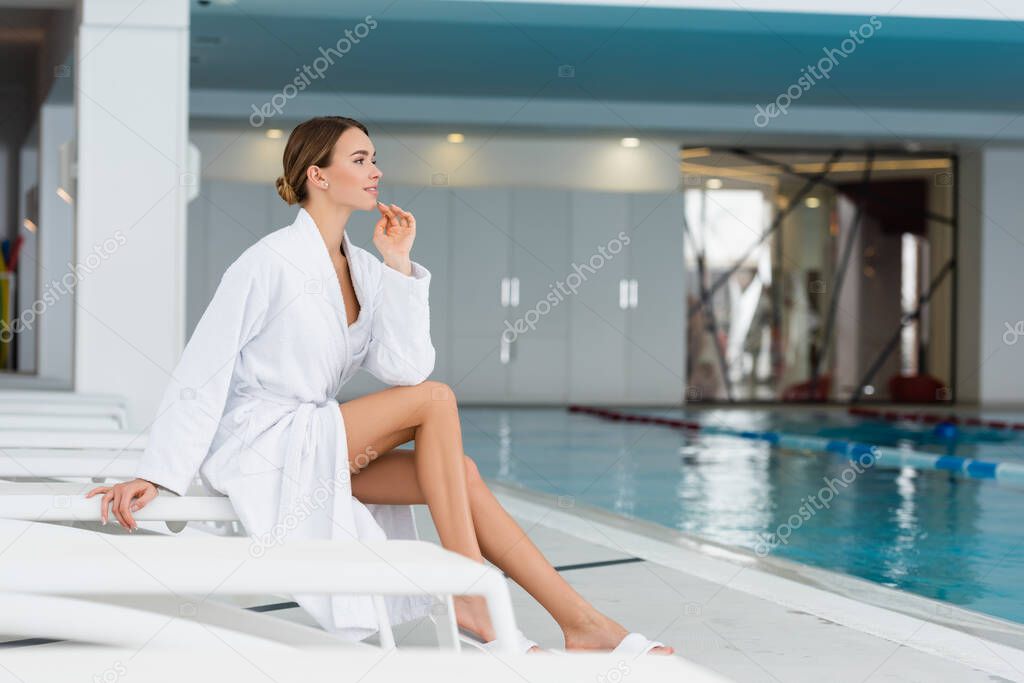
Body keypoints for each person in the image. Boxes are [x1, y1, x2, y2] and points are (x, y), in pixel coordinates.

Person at [86, 115, 673, 656]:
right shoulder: (266, 262)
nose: (377, 171)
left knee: (460, 473)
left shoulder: (362, 264)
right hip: (264, 443)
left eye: (374, 160)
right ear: (318, 175)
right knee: (438, 400)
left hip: (313, 438)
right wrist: (159, 471)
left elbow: (405, 369)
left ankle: (581, 623)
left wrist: (397, 266)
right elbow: (202, 367)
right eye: (361, 159)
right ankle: (468, 591)